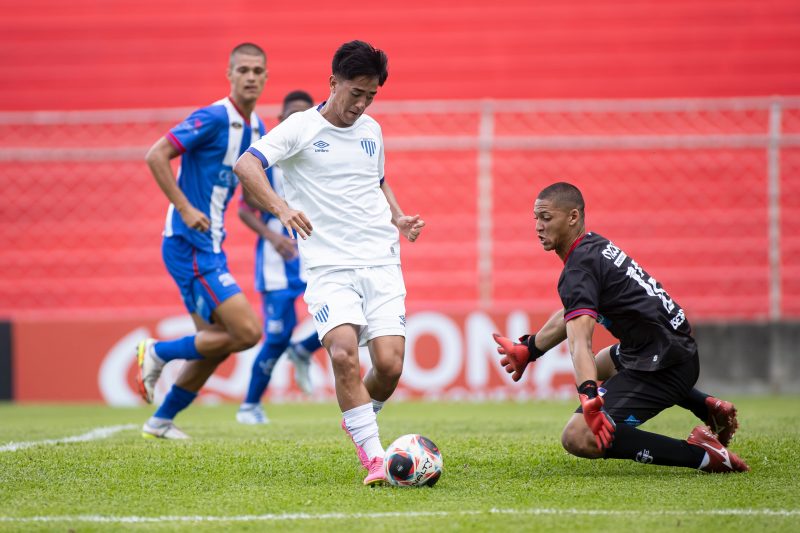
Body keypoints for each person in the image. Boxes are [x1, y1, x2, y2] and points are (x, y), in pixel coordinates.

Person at [233, 40, 425, 485]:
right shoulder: (300, 128)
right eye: (355, 93)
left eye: (371, 96)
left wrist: (397, 216)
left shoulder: (372, 130)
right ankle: (375, 457)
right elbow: (247, 166)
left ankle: (359, 417)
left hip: (381, 261)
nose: (361, 104)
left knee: (391, 366)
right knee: (342, 354)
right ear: (333, 82)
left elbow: (377, 180)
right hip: (329, 266)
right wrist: (282, 209)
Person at [493, 182, 749, 473]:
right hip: (665, 348)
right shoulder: (593, 246)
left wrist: (589, 398)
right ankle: (704, 406)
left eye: (546, 218)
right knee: (602, 365)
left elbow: (579, 342)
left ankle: (703, 456)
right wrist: (531, 348)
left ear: (573, 217)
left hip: (664, 364)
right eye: (536, 218)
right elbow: (571, 312)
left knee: (579, 436)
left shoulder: (579, 268)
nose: (538, 226)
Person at [137, 43, 269, 439]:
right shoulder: (213, 118)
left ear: (265, 77)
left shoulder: (257, 128)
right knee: (247, 333)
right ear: (229, 74)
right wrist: (183, 207)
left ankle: (159, 422)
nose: (250, 76)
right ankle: (157, 352)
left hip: (211, 245)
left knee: (215, 343)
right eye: (242, 69)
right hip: (190, 245)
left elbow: (244, 189)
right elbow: (156, 155)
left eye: (257, 71)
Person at [236, 90, 323, 424]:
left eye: (303, 115)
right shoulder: (266, 161)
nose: (296, 121)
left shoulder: (319, 156)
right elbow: (245, 208)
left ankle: (303, 351)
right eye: (290, 116)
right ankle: (250, 405)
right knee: (277, 335)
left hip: (317, 249)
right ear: (280, 121)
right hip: (278, 260)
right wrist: (273, 237)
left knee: (350, 314)